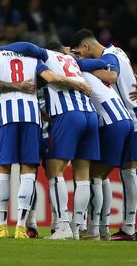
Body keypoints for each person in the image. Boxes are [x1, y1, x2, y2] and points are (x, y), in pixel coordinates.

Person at [0, 41, 91, 238]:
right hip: (31, 118)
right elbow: (52, 77)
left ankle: (1, 226)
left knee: (3, 169)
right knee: (28, 170)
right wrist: (78, 83)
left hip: (6, 118)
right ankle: (21, 227)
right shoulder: (34, 59)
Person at [6, 41, 98, 240]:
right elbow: (97, 64)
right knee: (83, 175)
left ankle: (62, 227)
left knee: (54, 172)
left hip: (68, 114)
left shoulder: (48, 56)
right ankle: (78, 229)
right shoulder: (73, 61)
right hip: (90, 115)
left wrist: (2, 49)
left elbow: (28, 47)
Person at [72, 29, 137, 241]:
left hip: (130, 115)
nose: (80, 55)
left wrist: (80, 67)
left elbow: (112, 75)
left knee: (129, 172)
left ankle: (128, 228)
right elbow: (131, 78)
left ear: (87, 46)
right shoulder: (118, 52)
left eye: (80, 51)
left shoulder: (108, 57)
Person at [78, 53, 137, 239]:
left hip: (113, 123)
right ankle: (103, 229)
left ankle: (94, 229)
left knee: (93, 174)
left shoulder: (80, 74)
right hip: (126, 121)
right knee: (103, 176)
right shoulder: (96, 75)